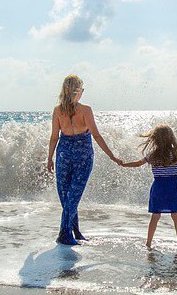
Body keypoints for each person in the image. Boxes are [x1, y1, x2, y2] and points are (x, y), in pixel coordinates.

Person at [46, 75, 121, 245]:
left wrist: (49, 158)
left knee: (68, 196)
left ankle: (75, 231)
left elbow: (54, 137)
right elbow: (96, 135)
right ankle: (64, 234)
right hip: (83, 155)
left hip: (64, 154)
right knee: (72, 196)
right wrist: (111, 155)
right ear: (79, 92)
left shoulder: (58, 110)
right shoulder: (85, 110)